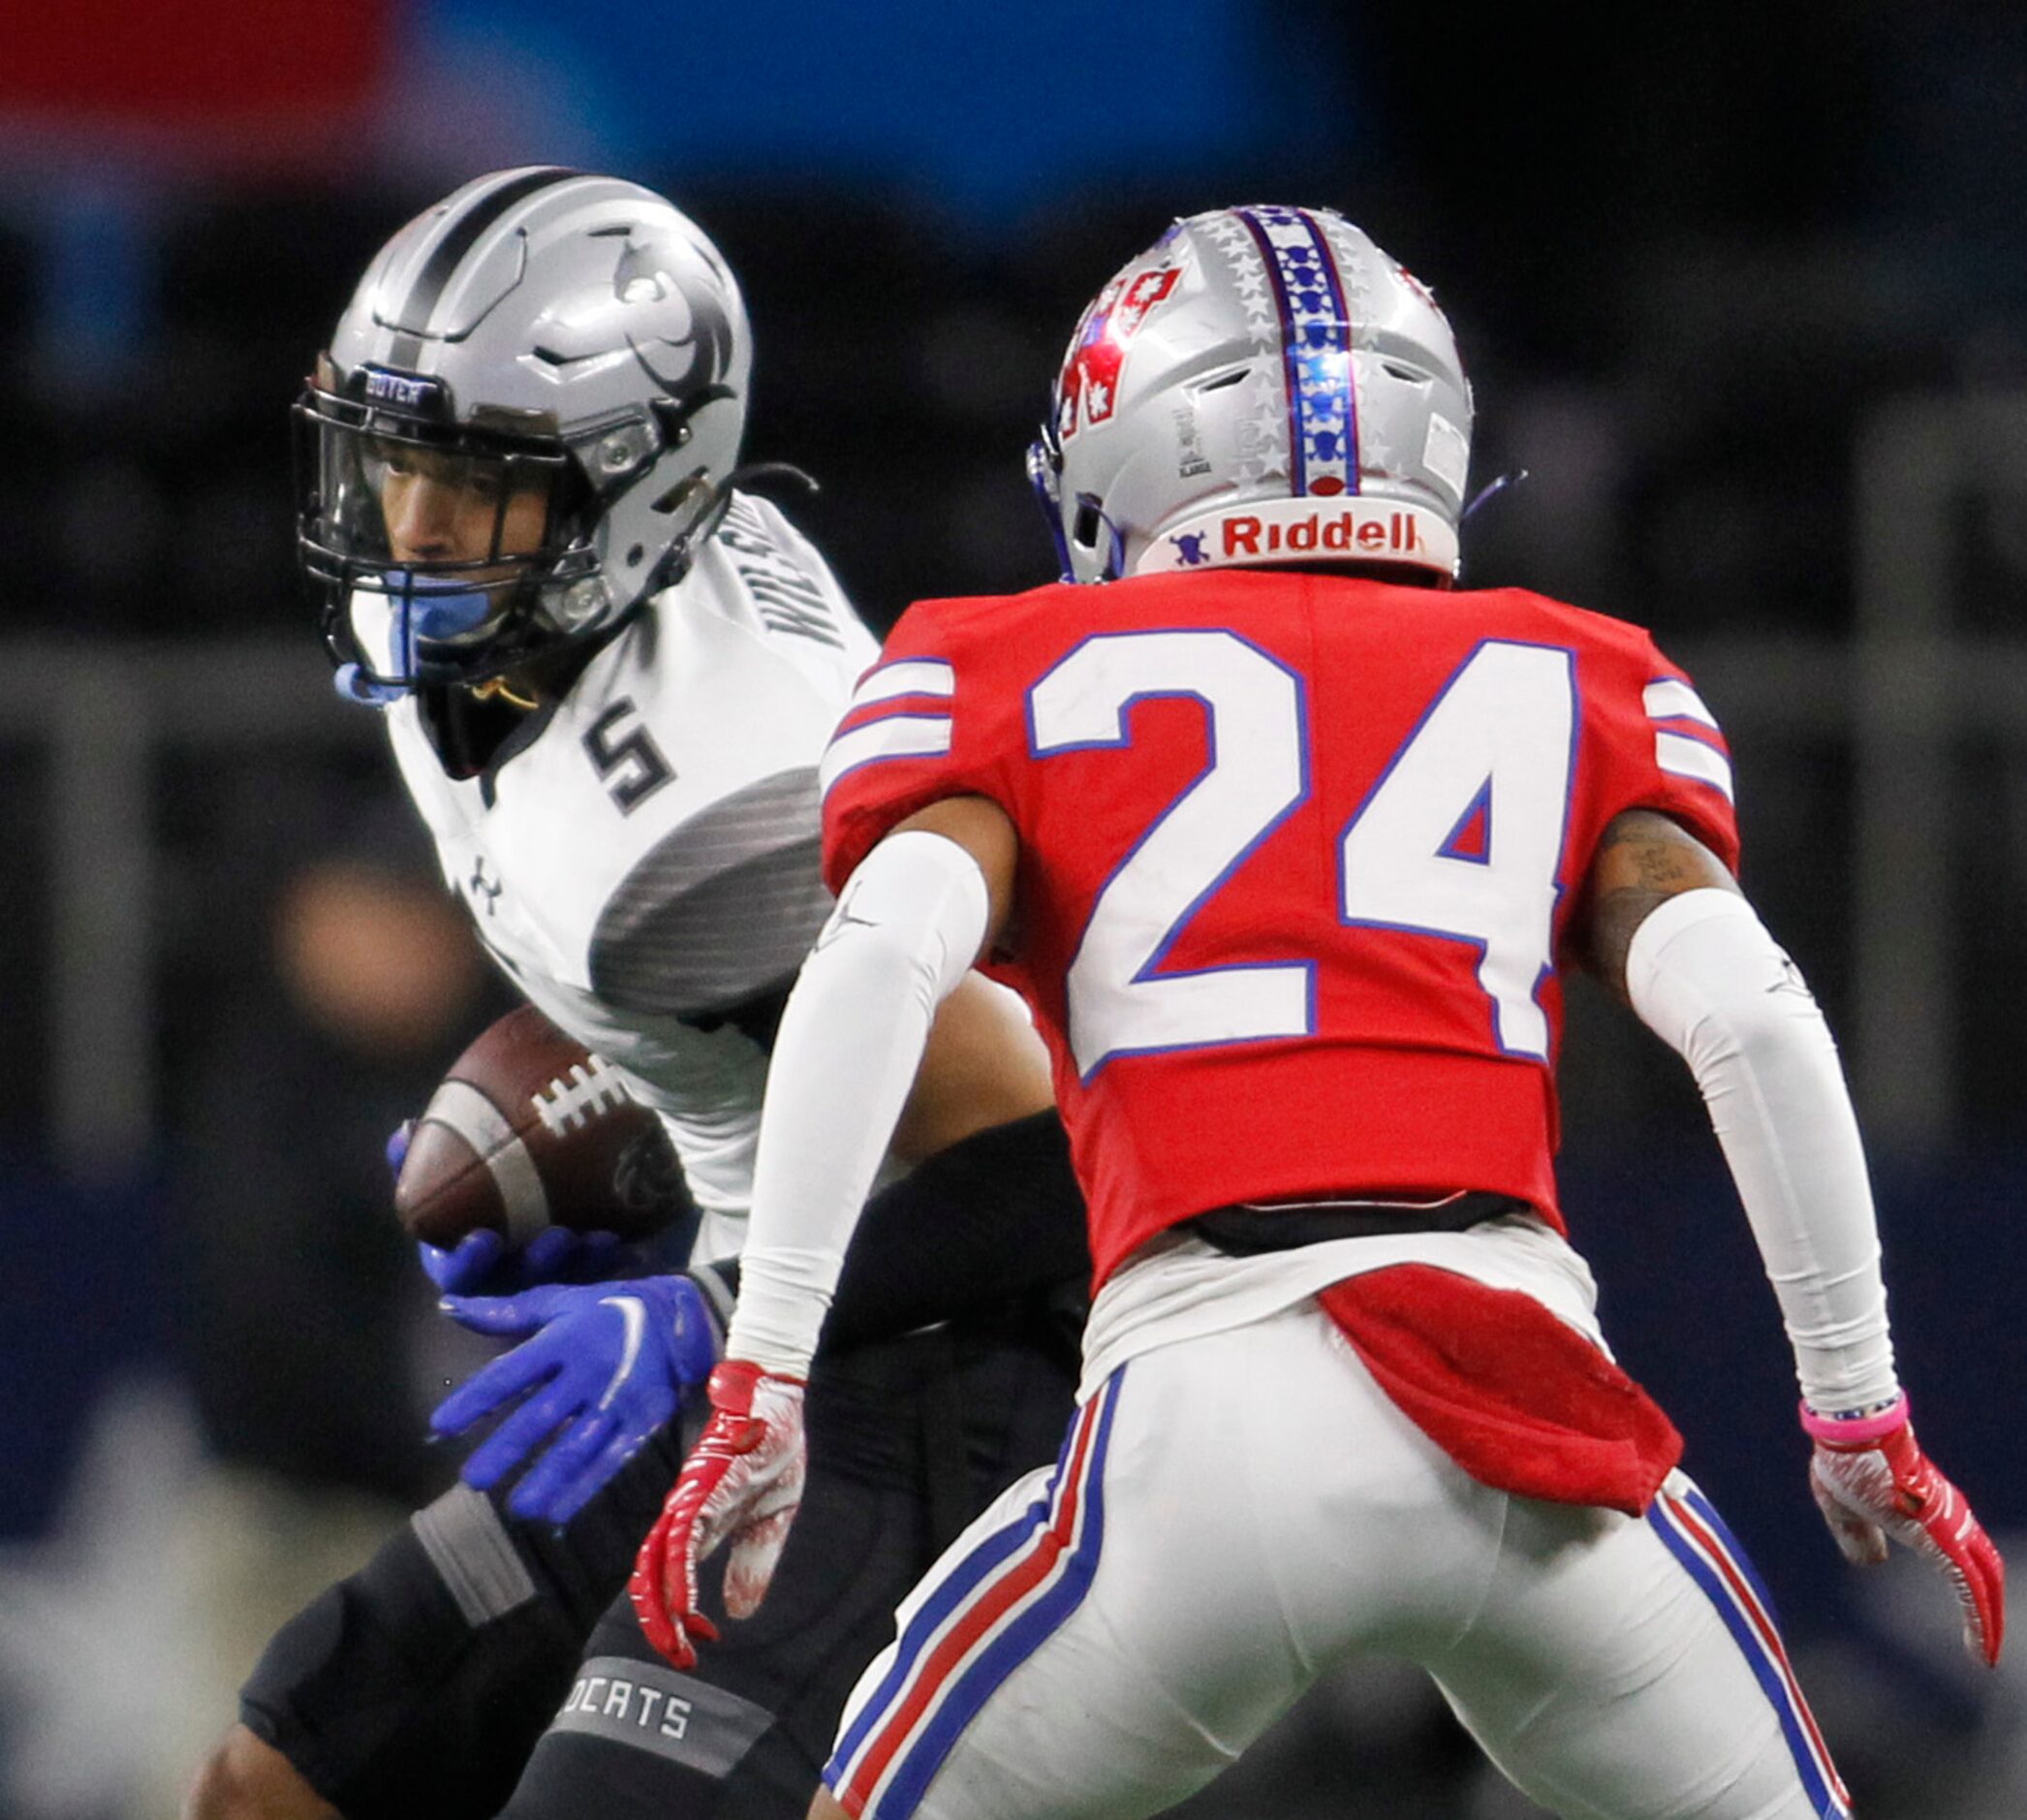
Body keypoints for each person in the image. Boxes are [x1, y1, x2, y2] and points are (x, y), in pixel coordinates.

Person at [628, 204, 2008, 1820]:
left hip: (1207, 1420)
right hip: (1533, 1418)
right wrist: (1859, 1411)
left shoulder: (1001, 669)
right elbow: (1756, 1019)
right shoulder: (1580, 673)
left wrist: (763, 1381)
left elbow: (874, 963)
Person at [185, 168, 1090, 1820]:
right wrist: (632, 1122)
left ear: (633, 496)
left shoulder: (724, 820)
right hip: (766, 1331)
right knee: (282, 1771)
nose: (414, 526)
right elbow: (739, 1049)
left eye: (472, 481)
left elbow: (1055, 1166)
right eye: (399, 462)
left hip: (934, 1376)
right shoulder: (510, 623)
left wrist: (708, 1316)